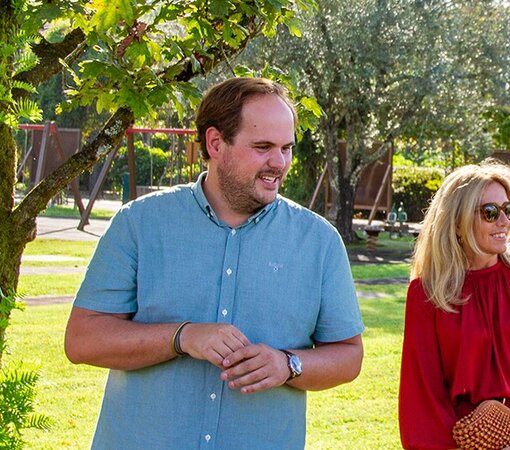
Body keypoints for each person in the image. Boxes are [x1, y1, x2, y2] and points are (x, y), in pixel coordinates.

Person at [64, 77, 365, 449]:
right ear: (215, 143)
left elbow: (349, 355)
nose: (279, 163)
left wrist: (288, 365)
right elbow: (82, 340)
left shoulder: (319, 242)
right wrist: (182, 337)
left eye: (286, 148)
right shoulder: (140, 223)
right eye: (263, 147)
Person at [398, 160, 510, 449]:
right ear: (458, 222)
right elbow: (423, 394)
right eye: (490, 212)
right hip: (455, 441)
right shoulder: (427, 293)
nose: (504, 221)